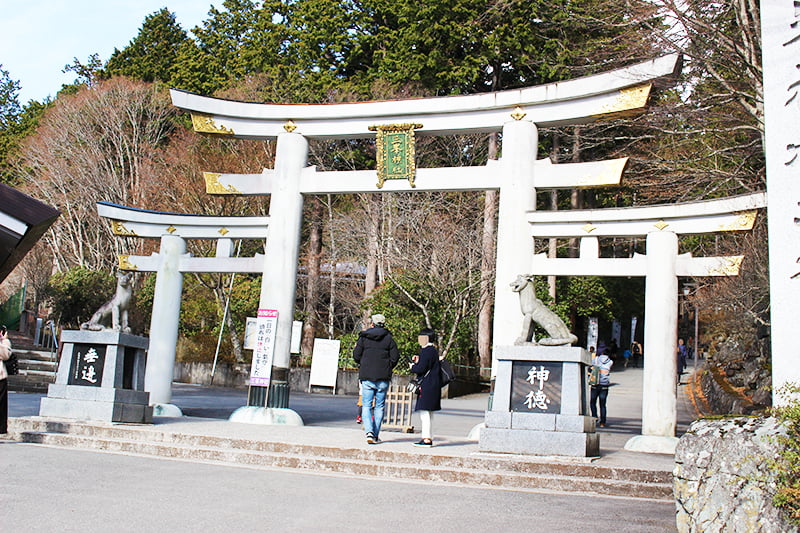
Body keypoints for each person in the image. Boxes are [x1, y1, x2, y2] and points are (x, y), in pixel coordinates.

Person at [353, 313, 400, 444]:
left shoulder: (364, 337)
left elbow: (356, 355)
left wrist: (364, 363)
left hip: (367, 376)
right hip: (383, 377)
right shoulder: (389, 339)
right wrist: (387, 366)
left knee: (367, 405)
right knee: (379, 407)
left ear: (372, 324)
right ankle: (376, 434)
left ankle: (369, 432)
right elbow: (395, 357)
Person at [409, 327, 441, 447]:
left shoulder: (426, 351)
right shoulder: (433, 351)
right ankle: (429, 436)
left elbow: (421, 368)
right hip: (434, 385)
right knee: (430, 413)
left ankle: (426, 438)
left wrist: (413, 366)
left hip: (427, 386)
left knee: (424, 413)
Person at [590, 349, 613, 428]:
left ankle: (594, 417)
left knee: (593, 402)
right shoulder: (610, 362)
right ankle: (602, 422)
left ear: (602, 353)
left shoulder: (596, 359)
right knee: (603, 404)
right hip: (604, 385)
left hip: (595, 384)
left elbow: (589, 363)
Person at [0, 326, 12, 434]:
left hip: (1, 377)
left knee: (1, 405)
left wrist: (3, 340)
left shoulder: (5, 343)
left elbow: (5, 355)